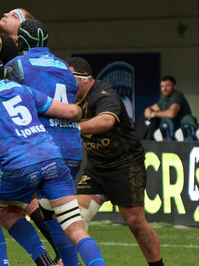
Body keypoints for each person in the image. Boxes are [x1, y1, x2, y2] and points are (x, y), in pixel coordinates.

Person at [0, 57, 107, 266]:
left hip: (20, 166)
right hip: (53, 159)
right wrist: (79, 111)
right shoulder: (23, 90)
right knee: (74, 228)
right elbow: (71, 111)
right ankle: (50, 262)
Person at [3, 20, 84, 266]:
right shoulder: (63, 66)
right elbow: (75, 97)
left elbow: (7, 103)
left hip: (40, 149)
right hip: (71, 148)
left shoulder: (16, 65)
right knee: (55, 215)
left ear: (21, 42)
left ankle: (42, 260)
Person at [69, 56, 164, 266]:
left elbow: (107, 120)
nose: (65, 83)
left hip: (125, 164)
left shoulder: (103, 94)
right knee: (75, 219)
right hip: (96, 167)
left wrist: (74, 128)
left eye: (69, 78)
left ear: (85, 78)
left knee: (135, 222)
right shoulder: (69, 97)